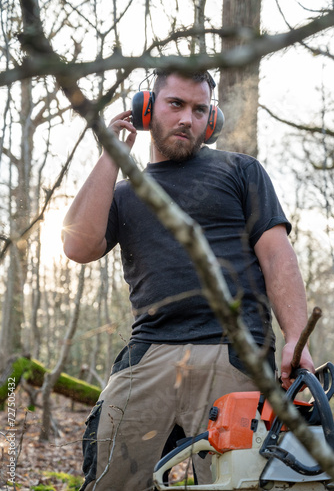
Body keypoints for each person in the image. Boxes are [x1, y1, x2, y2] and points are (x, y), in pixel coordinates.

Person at [62, 69, 315, 490]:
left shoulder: (241, 171)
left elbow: (276, 255)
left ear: (210, 121)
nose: (187, 119)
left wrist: (294, 337)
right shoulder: (124, 192)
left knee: (242, 482)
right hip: (150, 353)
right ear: (147, 109)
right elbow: (77, 246)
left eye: (200, 110)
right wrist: (111, 152)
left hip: (234, 351)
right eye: (175, 104)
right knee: (108, 477)